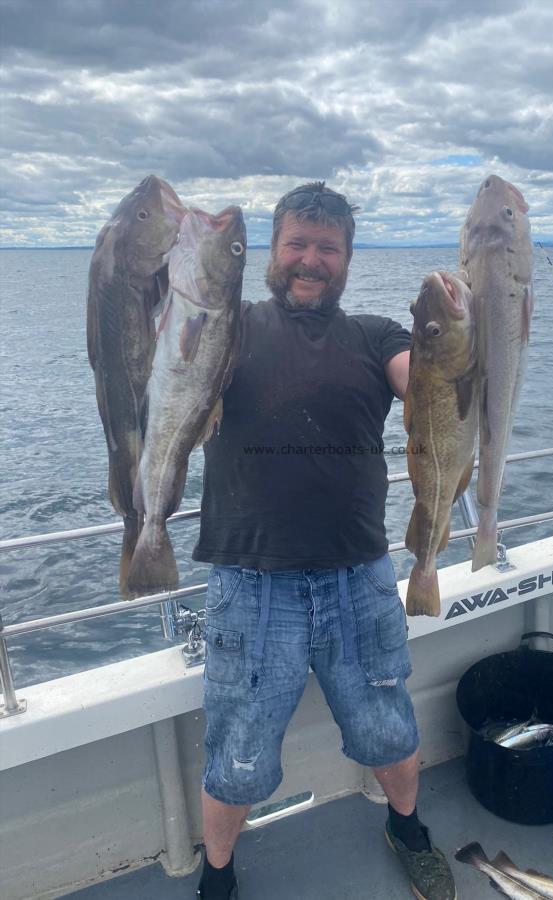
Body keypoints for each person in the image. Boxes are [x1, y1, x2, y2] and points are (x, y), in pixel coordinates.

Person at [193, 182, 456, 900]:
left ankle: (406, 828)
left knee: (385, 728)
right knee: (237, 752)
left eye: (327, 248)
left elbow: (431, 384)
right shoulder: (229, 329)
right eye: (297, 245)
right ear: (272, 252)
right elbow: (169, 355)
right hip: (249, 582)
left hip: (358, 577)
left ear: (347, 258)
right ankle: (217, 875)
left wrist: (473, 323)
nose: (311, 260)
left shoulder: (376, 336)